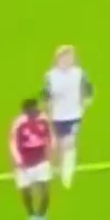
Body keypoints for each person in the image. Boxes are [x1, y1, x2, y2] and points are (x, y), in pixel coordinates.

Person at [42, 46, 93, 189]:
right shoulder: (50, 75)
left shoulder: (79, 73)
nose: (67, 60)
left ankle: (67, 174)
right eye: (64, 57)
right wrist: (47, 106)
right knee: (58, 145)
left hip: (74, 115)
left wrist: (86, 101)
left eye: (70, 57)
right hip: (57, 116)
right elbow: (45, 94)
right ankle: (60, 167)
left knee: (69, 142)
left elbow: (88, 89)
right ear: (58, 59)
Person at [9, 99, 52, 220]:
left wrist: (50, 152)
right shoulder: (19, 124)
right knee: (26, 193)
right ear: (25, 111)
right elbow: (13, 143)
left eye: (36, 108)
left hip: (41, 161)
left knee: (46, 192)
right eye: (32, 110)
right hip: (25, 164)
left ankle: (41, 217)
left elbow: (49, 136)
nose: (35, 111)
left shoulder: (43, 119)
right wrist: (19, 161)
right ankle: (31, 215)